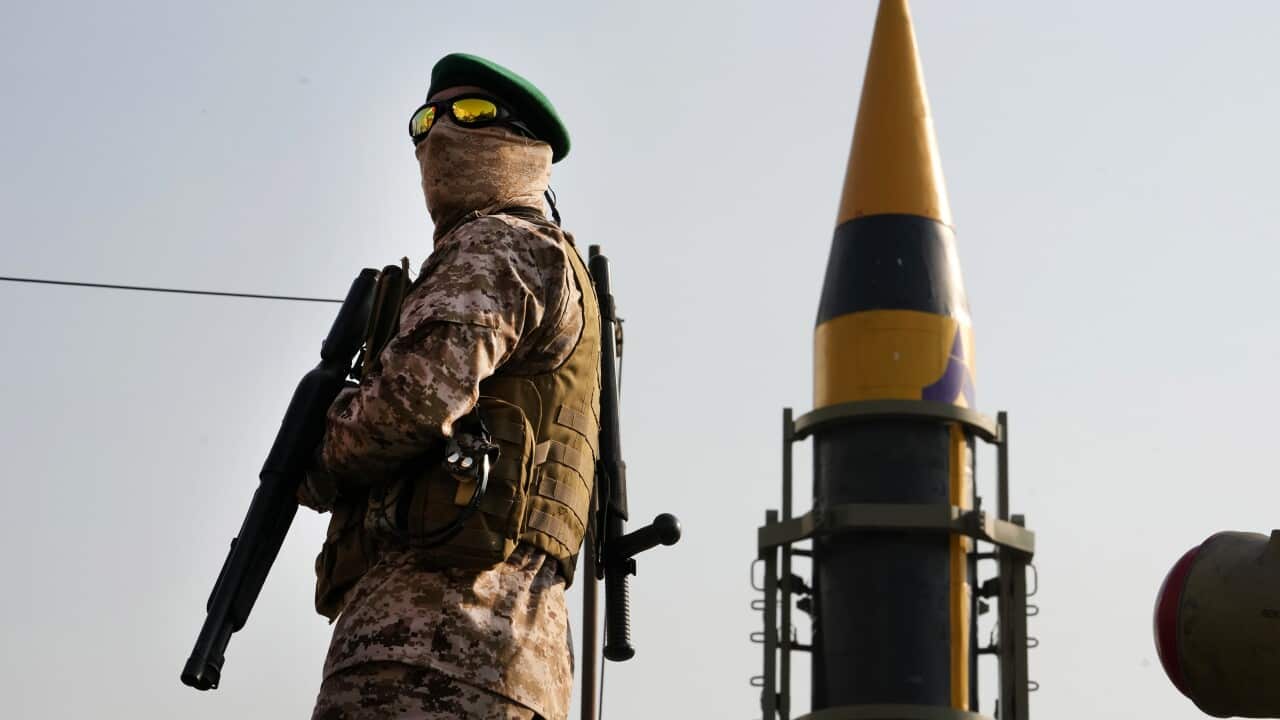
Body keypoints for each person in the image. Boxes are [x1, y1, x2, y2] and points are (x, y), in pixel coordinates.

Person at [299, 52, 599, 720]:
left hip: (431, 648)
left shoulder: (499, 243)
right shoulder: (546, 257)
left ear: (523, 143)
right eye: (424, 121)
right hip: (513, 658)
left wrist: (313, 460)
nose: (438, 134)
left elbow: (413, 402)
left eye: (470, 115)